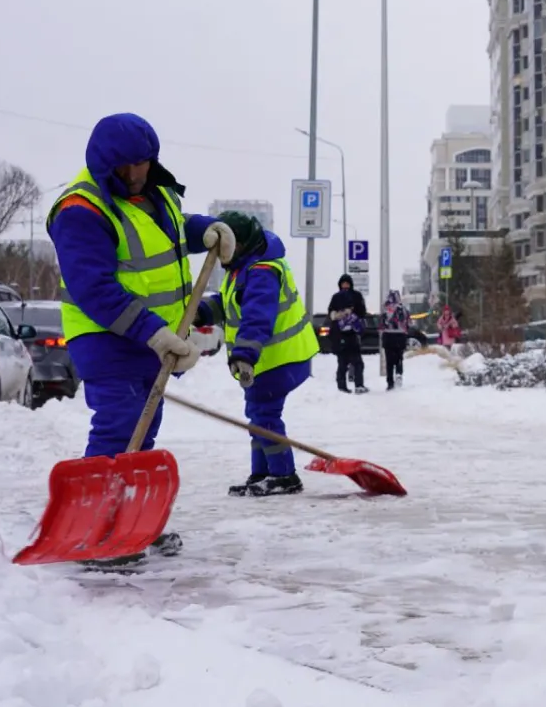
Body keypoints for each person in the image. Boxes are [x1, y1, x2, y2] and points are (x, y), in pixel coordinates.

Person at [47, 112, 236, 555]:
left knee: (143, 429)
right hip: (105, 336)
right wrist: (153, 332)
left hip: (148, 339)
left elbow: (169, 230)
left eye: (143, 163)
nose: (135, 175)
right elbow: (94, 289)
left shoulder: (154, 192)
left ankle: (128, 525)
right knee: (118, 426)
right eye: (125, 167)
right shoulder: (80, 210)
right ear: (103, 163)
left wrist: (203, 229)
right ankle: (95, 532)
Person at [198, 211, 317, 496]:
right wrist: (201, 312)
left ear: (244, 243)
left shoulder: (262, 271)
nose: (225, 253)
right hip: (269, 358)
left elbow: (256, 316)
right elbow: (229, 304)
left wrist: (244, 354)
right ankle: (263, 473)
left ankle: (284, 476)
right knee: (257, 414)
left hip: (281, 357)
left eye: (231, 246)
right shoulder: (243, 267)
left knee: (264, 414)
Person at [327, 274, 367, 394]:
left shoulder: (352, 296)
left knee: (355, 362)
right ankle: (344, 386)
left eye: (347, 283)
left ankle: (356, 385)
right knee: (344, 362)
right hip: (343, 335)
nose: (345, 286)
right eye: (343, 283)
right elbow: (331, 314)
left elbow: (361, 312)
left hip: (350, 335)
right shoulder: (341, 297)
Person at [380, 289, 410, 390]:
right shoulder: (403, 309)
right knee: (399, 358)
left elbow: (381, 325)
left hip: (388, 337)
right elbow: (408, 323)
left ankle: (390, 382)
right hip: (400, 337)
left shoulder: (385, 310)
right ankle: (398, 374)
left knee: (389, 362)